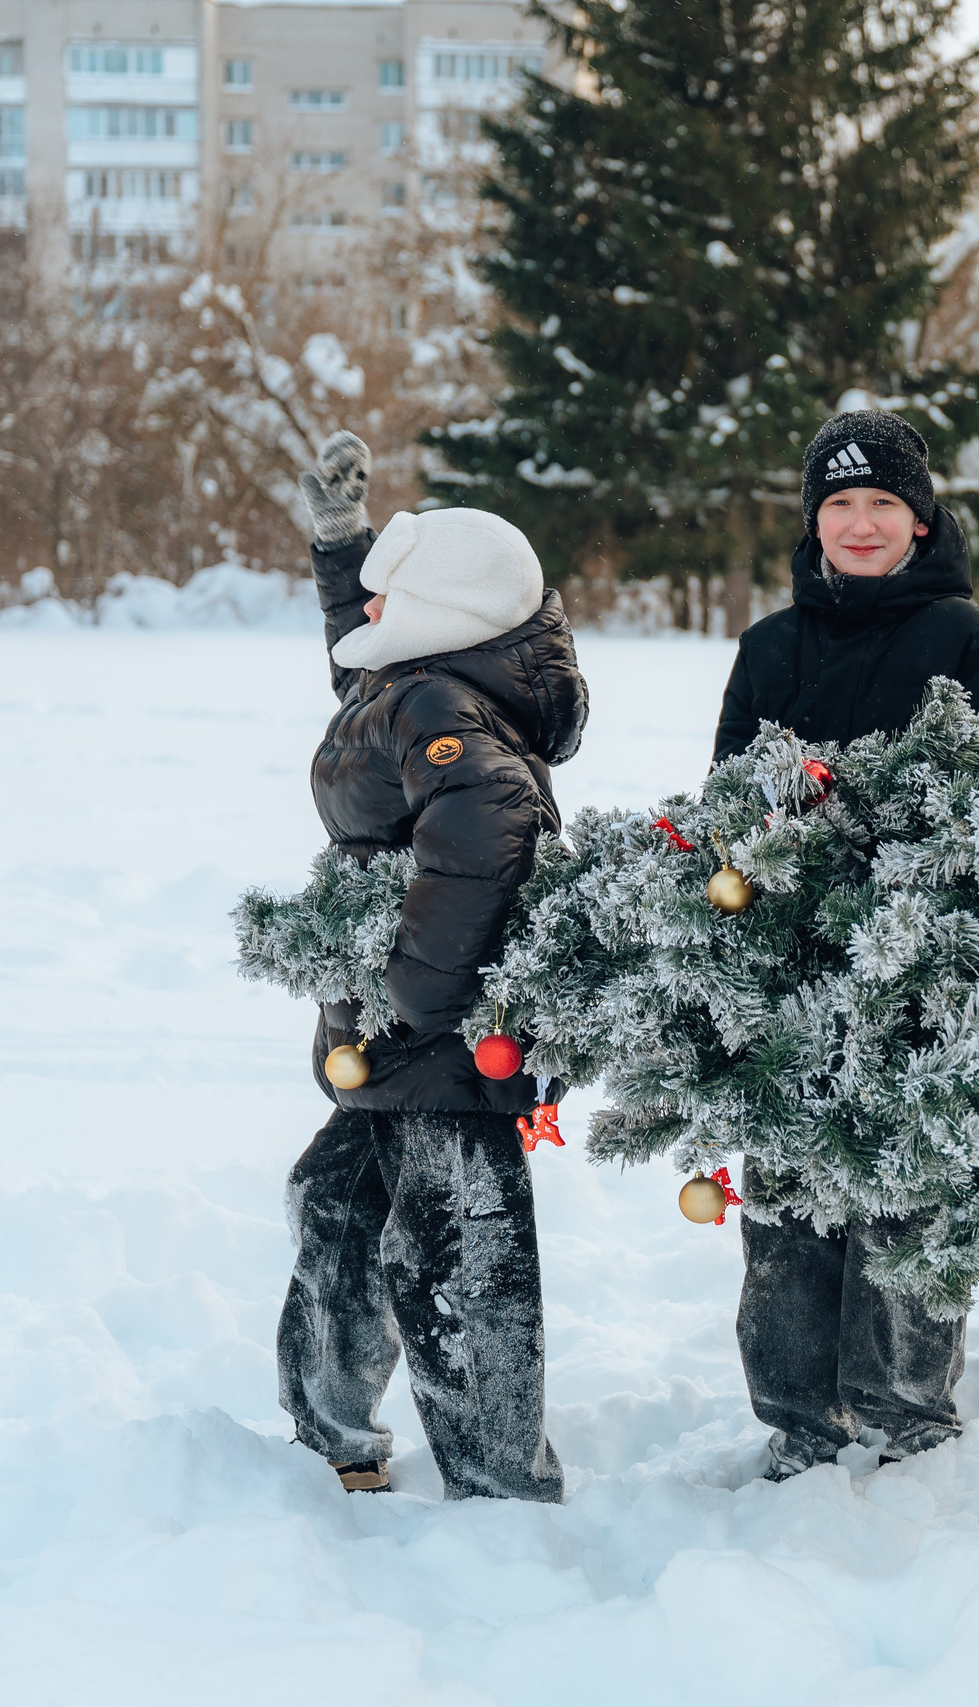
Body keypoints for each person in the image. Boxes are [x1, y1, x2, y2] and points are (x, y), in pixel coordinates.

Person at [713, 409, 979, 1481]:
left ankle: (905, 1421)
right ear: (812, 521)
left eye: (881, 503)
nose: (858, 522)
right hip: (788, 982)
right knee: (788, 1214)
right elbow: (727, 811)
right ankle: (797, 1424)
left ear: (921, 518)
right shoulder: (769, 647)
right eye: (838, 503)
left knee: (904, 1204)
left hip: (917, 990)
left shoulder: (968, 644)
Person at [280, 431, 587, 1501]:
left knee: (461, 1265)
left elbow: (486, 836)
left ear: (439, 616)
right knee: (338, 1216)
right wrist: (338, 547)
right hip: (393, 1041)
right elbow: (358, 655)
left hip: (439, 1040)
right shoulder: (416, 680)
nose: (366, 607)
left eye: (386, 589)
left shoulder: (440, 708)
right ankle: (333, 1429)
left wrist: (410, 997)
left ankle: (501, 1486)